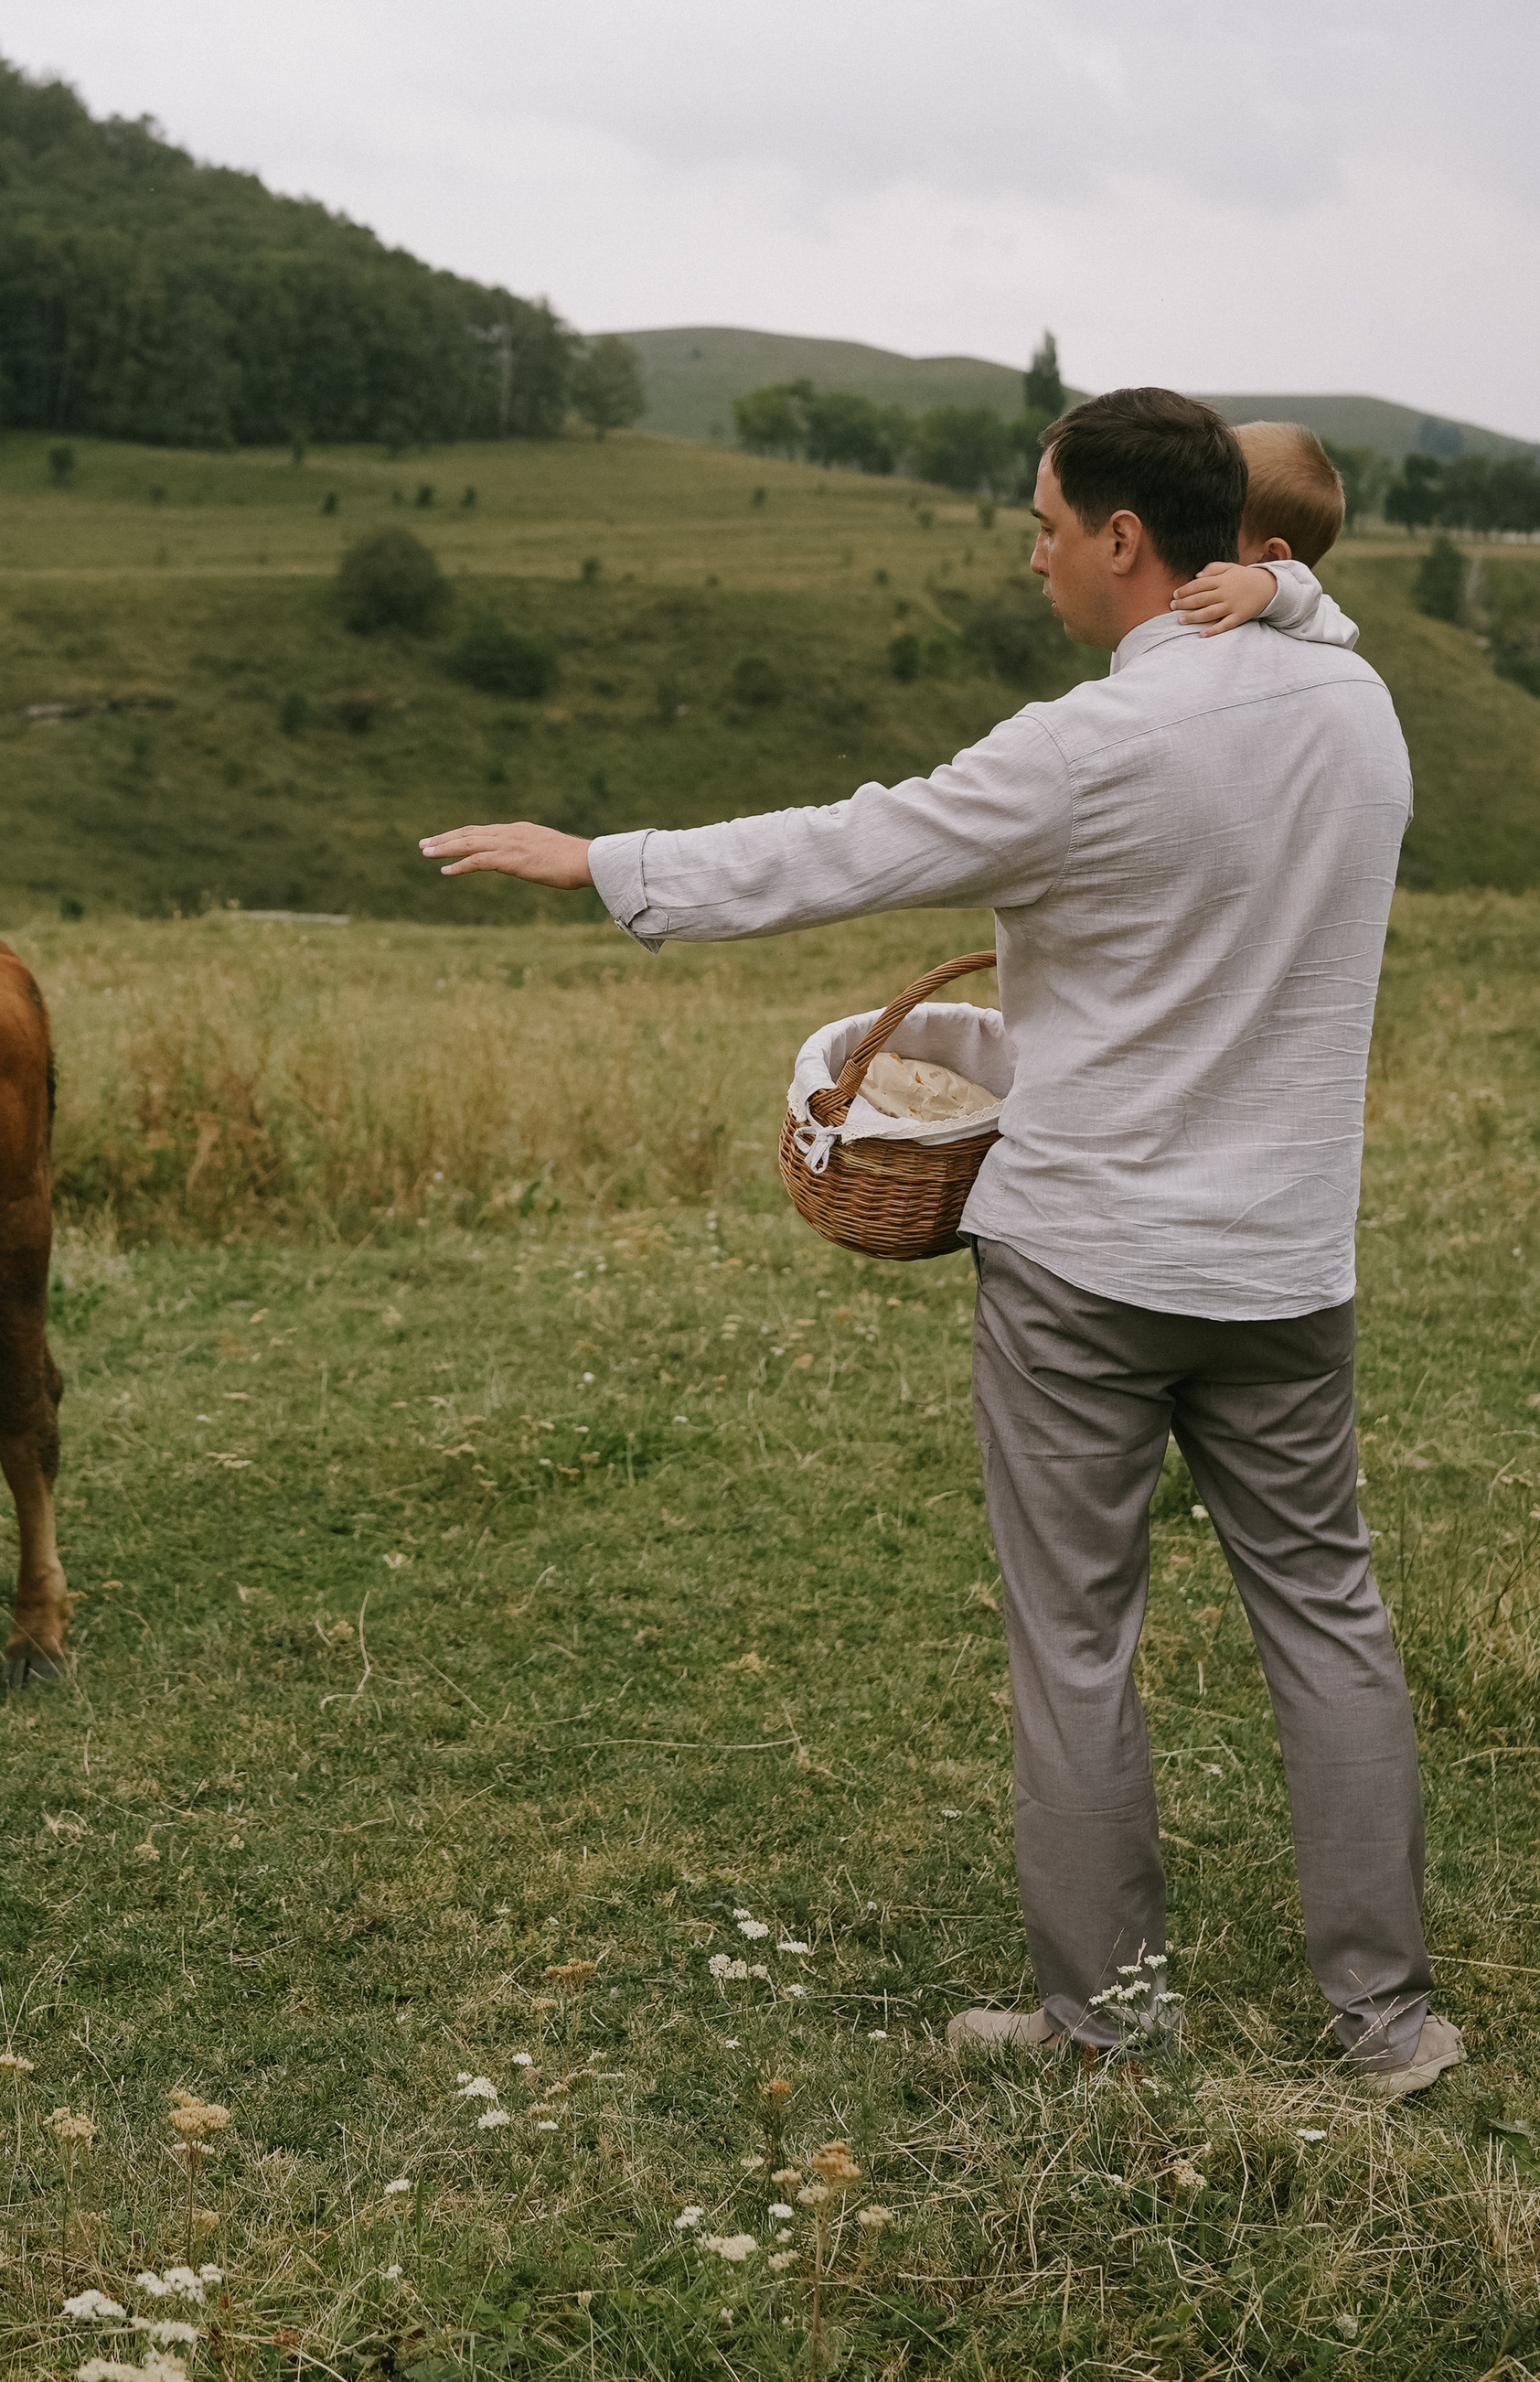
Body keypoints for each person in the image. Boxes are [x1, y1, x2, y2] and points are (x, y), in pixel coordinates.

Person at [421, 386, 1458, 2098]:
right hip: (1286, 1266)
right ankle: (1390, 2021)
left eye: (1047, 529)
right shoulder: (1360, 706)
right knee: (1329, 1618)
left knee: (1075, 1637)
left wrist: (600, 861)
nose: (1035, 558)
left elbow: (853, 844)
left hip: (1087, 1266)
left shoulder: (1091, 745)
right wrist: (1284, 599)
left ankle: (1103, 2022)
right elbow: (1315, 605)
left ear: (1127, 539)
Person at [1172, 418, 1358, 647]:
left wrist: (1267, 587)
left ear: (1271, 558)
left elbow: (1334, 622)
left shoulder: (1313, 612)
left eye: (1211, 517)